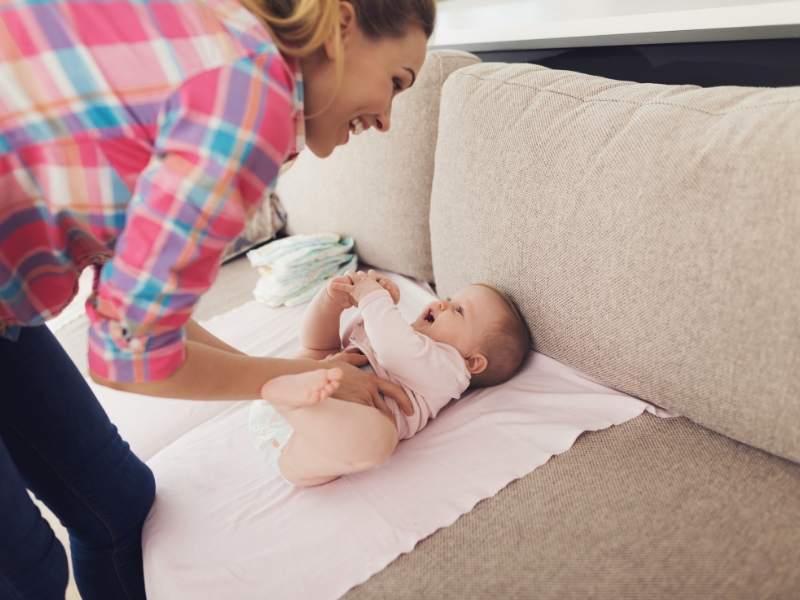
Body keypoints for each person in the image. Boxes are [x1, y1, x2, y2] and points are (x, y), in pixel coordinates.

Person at [0, 1, 433, 597]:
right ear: (343, 22)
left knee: (117, 507)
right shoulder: (247, 97)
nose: (386, 119)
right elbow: (130, 359)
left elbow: (134, 308)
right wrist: (277, 378)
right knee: (27, 570)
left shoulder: (212, 42)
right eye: (396, 82)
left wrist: (287, 374)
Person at [251, 269, 531, 486]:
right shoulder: (407, 336)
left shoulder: (450, 372)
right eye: (448, 299)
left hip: (304, 440)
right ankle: (292, 390)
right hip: (311, 379)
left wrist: (374, 298)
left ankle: (292, 403)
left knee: (365, 440)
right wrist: (335, 302)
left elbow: (395, 347)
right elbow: (336, 344)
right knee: (318, 349)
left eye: (458, 310)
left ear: (472, 361)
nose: (441, 304)